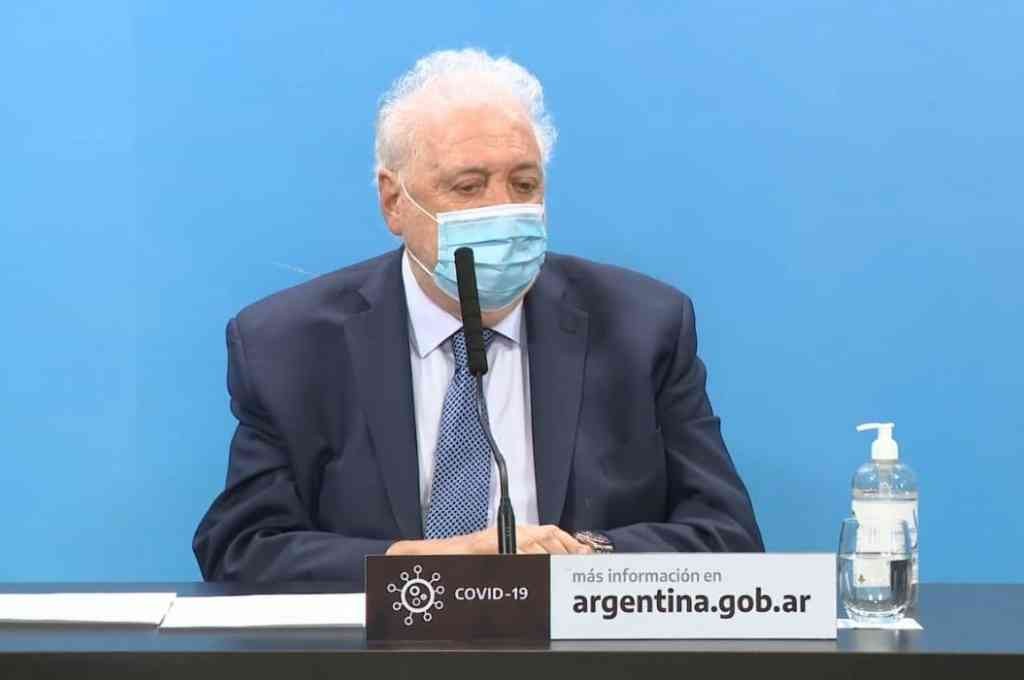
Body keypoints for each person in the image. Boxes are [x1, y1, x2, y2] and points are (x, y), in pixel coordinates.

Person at [193, 48, 764, 587]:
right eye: (468, 186)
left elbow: (728, 538)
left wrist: (581, 560)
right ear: (394, 202)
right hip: (383, 646)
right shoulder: (287, 346)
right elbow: (241, 549)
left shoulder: (643, 328)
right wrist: (422, 565)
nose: (504, 209)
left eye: (524, 184)